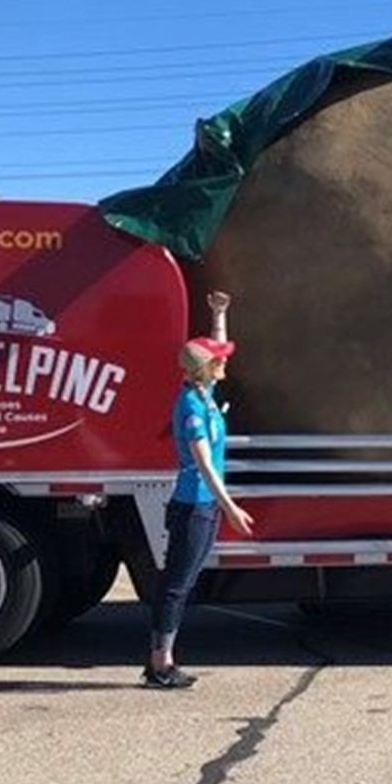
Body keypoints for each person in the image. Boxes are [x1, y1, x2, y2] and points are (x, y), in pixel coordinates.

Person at [143, 289, 255, 689]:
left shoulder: (203, 394)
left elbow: (218, 352)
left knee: (182, 583)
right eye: (217, 359)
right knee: (176, 585)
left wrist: (219, 314)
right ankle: (161, 663)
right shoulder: (191, 408)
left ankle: (161, 659)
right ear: (206, 368)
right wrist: (231, 508)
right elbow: (205, 466)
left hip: (203, 506)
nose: (224, 360)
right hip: (195, 506)